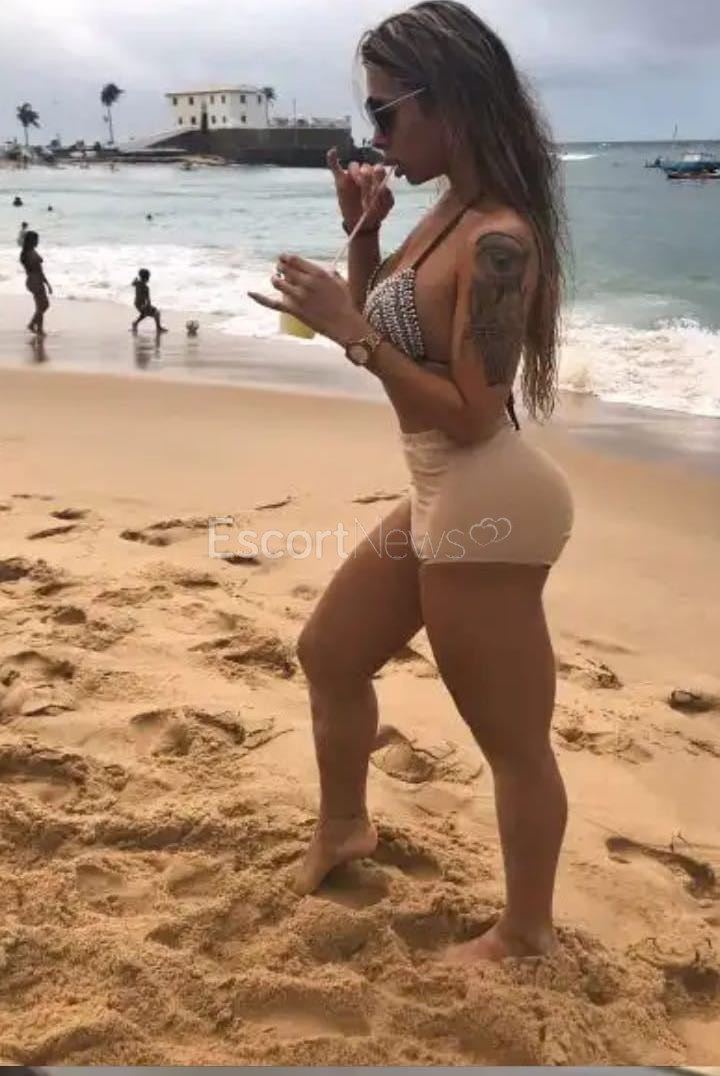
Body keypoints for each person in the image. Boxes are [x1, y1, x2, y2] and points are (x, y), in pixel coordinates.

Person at [249, 0, 574, 963]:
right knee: (330, 653)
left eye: (386, 112)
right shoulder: (445, 212)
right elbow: (388, 337)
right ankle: (346, 827)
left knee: (511, 741)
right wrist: (360, 236)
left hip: (490, 501)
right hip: (443, 487)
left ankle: (526, 934)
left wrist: (351, 331)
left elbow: (471, 411)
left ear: (452, 102)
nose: (376, 134)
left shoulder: (501, 240)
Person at [20, 230, 52, 336]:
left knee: (40, 306)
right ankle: (32, 324)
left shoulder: (26, 252)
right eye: (36, 240)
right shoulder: (31, 254)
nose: (37, 242)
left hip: (31, 280)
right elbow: (39, 270)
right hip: (36, 281)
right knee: (44, 305)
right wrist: (47, 283)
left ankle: (39, 329)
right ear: (31, 241)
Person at [131, 268, 168, 334]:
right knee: (157, 313)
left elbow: (132, 284)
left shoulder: (137, 283)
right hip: (142, 305)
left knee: (144, 314)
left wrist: (134, 280)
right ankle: (158, 327)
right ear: (147, 278)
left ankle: (135, 323)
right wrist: (148, 306)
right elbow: (148, 299)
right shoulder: (146, 288)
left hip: (136, 304)